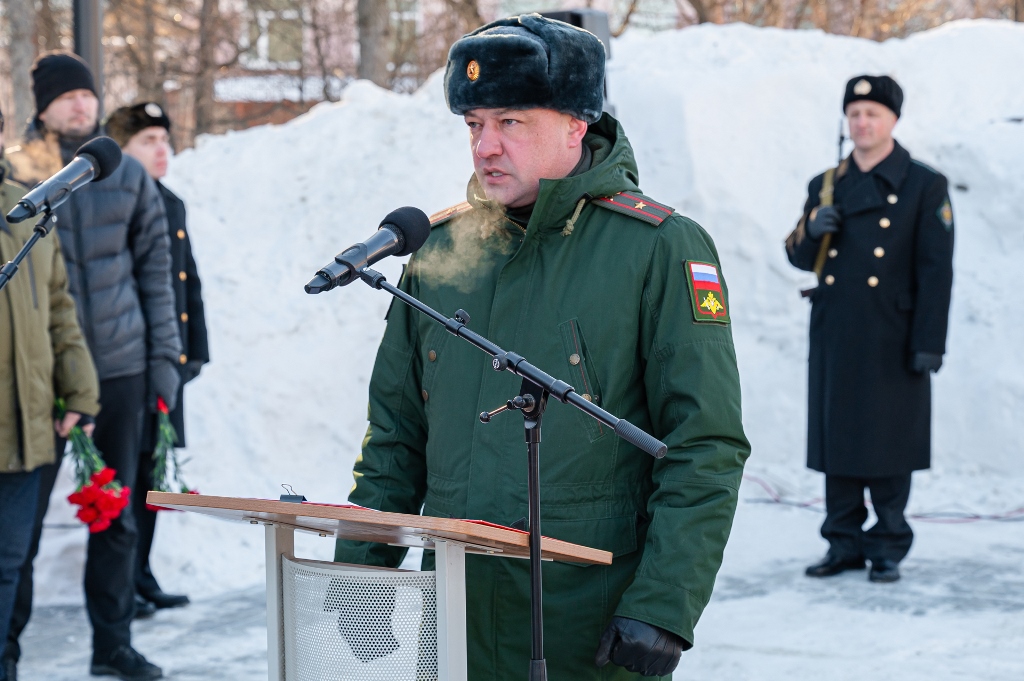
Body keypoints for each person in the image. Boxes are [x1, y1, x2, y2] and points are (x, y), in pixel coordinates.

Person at [333, 14, 750, 680]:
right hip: (457, 620)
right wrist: (361, 581)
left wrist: (665, 603)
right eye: (474, 124)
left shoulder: (657, 248)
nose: (486, 146)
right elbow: (395, 439)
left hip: (586, 624)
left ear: (576, 124)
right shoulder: (439, 252)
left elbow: (704, 444)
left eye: (511, 122)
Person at [5, 52, 181, 680]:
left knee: (118, 515)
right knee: (18, 527)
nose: (81, 104)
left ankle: (113, 643)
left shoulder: (125, 173)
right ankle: (6, 649)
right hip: (40, 379)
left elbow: (156, 275)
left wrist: (163, 362)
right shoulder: (17, 176)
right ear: (43, 105)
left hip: (120, 367)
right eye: (67, 96)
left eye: (87, 94)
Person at [785, 75, 954, 584]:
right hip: (837, 328)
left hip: (893, 332)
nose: (862, 122)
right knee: (837, 440)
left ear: (893, 120)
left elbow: (936, 271)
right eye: (855, 113)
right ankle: (842, 542)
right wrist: (813, 229)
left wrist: (929, 342)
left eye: (872, 114)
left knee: (889, 442)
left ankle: (886, 545)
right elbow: (798, 255)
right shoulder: (826, 184)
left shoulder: (924, 184)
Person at [0, 103, 101, 681]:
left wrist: (80, 392)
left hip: (26, 426)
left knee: (11, 562)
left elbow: (60, 309)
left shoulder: (27, 208)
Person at [105, 102, 210, 614]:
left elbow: (186, 281)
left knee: (150, 470)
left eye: (164, 139)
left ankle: (140, 574)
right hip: (128, 362)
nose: (161, 149)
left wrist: (193, 352)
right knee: (122, 476)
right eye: (147, 141)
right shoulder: (111, 203)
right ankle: (119, 584)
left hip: (165, 362)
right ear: (121, 150)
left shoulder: (170, 202)